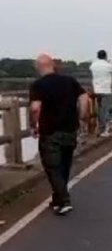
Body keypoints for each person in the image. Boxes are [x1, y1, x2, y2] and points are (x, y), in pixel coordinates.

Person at [29, 53, 90, 215]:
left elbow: (35, 108)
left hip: (50, 131)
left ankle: (64, 201)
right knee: (64, 164)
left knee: (52, 167)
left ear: (38, 67)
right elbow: (84, 97)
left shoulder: (38, 85)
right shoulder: (69, 81)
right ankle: (57, 199)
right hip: (70, 129)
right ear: (53, 65)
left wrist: (33, 125)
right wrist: (81, 116)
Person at [89, 49, 112, 136]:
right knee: (107, 109)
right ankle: (106, 129)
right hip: (106, 90)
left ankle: (101, 127)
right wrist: (109, 63)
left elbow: (90, 69)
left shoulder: (93, 65)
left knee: (100, 109)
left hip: (97, 90)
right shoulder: (108, 65)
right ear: (105, 56)